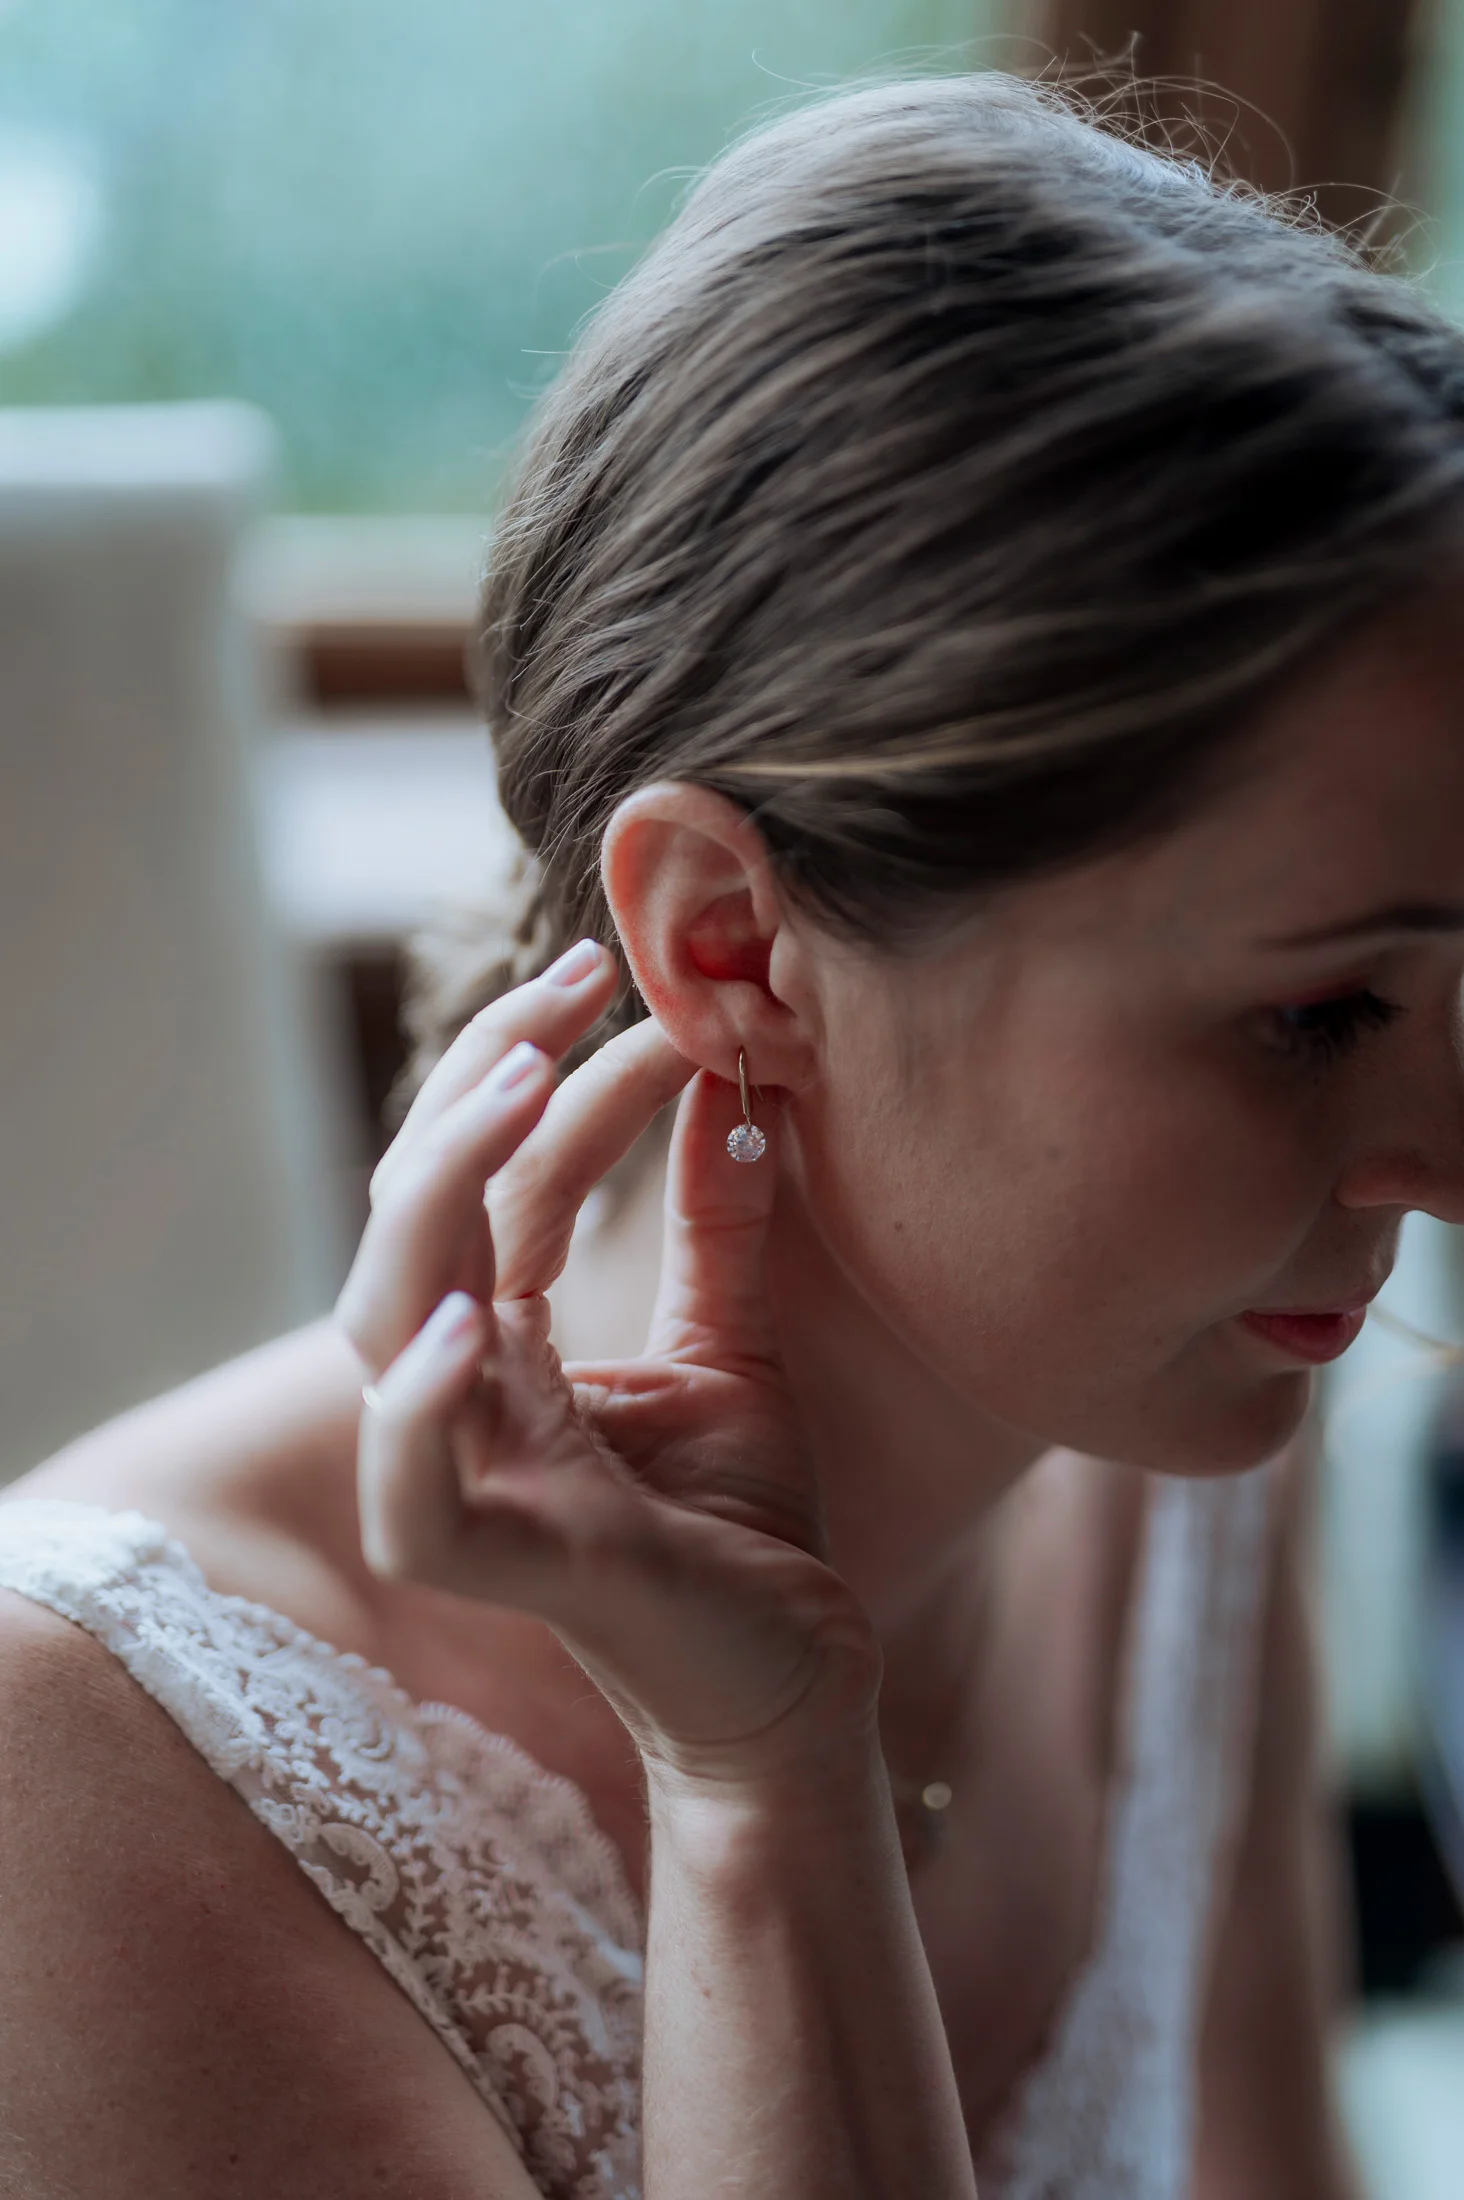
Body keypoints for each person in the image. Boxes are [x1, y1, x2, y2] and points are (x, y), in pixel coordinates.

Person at [1, 66, 1461, 2199]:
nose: (1445, 1154)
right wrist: (766, 1777)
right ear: (731, 941)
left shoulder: (1170, 1443)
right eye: (1316, 1014)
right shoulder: (78, 1776)